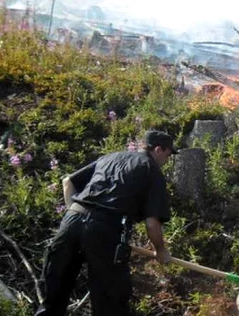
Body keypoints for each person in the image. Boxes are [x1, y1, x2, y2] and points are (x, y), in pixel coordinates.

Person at [36, 130, 178, 316]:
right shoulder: (151, 170)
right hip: (105, 231)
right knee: (110, 301)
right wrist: (160, 250)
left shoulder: (111, 157)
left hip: (70, 223)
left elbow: (68, 181)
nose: (167, 161)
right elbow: (152, 223)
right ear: (158, 150)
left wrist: (74, 213)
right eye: (168, 155)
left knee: (54, 294)